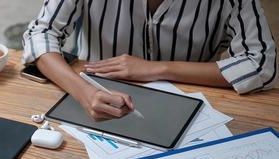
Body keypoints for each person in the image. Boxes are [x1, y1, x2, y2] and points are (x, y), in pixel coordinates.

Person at [22, 0, 278, 121]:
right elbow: (41, 33)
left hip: (190, 112)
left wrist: (156, 69)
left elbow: (262, 64)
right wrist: (84, 92)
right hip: (99, 105)